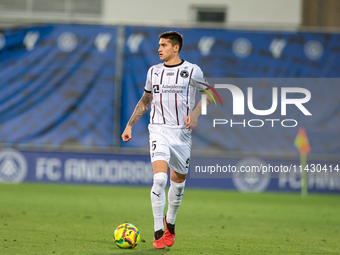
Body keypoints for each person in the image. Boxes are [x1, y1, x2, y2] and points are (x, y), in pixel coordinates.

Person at [121, 31, 212, 249]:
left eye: (163, 45)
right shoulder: (153, 71)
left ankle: (169, 222)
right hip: (158, 130)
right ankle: (158, 231)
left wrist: (197, 113)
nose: (159, 48)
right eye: (159, 45)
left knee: (178, 184)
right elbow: (145, 101)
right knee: (160, 179)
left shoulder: (192, 70)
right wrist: (130, 124)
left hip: (181, 134)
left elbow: (209, 95)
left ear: (176, 48)